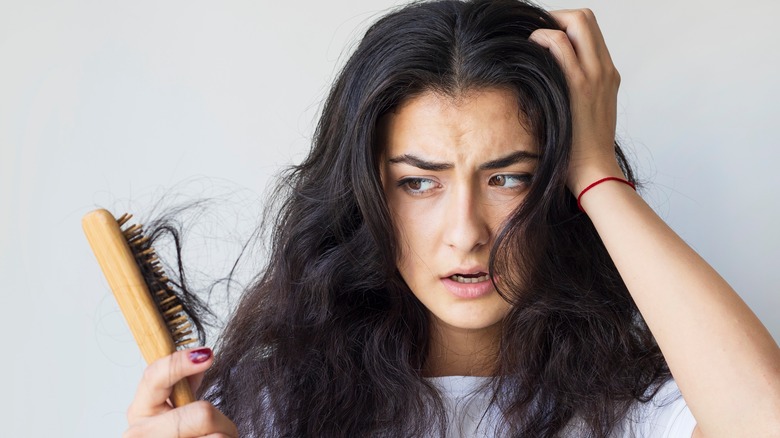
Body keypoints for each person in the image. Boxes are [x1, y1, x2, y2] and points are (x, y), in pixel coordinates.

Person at [121, 1, 780, 437]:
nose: (466, 232)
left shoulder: (639, 412)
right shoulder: (268, 411)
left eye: (508, 178)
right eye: (417, 183)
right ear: (363, 197)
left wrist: (596, 169)